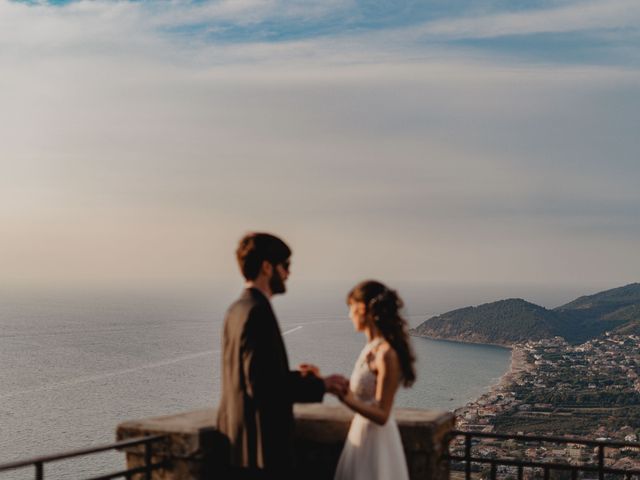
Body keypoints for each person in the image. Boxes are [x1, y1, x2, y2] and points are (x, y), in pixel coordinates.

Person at [217, 232, 349, 480]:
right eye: (285, 266)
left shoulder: (235, 310)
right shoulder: (258, 312)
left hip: (234, 442)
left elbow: (251, 376)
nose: (289, 273)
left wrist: (299, 376)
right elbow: (263, 386)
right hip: (260, 450)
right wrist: (321, 384)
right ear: (267, 267)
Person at [334, 280, 417, 480]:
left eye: (351, 308)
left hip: (377, 441)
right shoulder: (371, 348)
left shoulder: (385, 353)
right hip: (361, 432)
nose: (349, 315)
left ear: (363, 309)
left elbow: (382, 414)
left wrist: (345, 398)